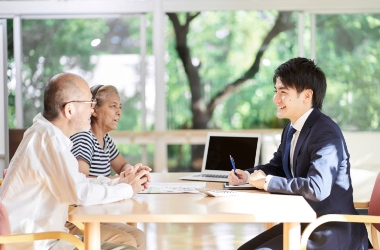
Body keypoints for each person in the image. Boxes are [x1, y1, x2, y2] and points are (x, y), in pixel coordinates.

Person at [228, 57, 368, 250]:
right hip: (304, 221)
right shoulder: (291, 129)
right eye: (276, 91)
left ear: (307, 96)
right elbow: (277, 167)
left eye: (283, 92)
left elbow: (317, 188)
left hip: (329, 231)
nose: (276, 99)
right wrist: (247, 175)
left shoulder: (325, 132)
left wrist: (267, 182)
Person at [0, 73, 148, 250]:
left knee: (136, 239)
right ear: (69, 110)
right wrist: (127, 189)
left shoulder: (47, 135)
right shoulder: (50, 141)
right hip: (37, 243)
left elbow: (78, 182)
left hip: (48, 235)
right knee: (128, 247)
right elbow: (81, 194)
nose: (92, 110)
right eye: (89, 103)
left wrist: (120, 181)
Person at [67, 85, 150, 250]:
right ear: (94, 110)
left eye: (120, 107)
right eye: (113, 106)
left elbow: (121, 165)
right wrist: (123, 181)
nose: (119, 112)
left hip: (95, 213)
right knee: (127, 241)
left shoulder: (105, 139)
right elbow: (81, 181)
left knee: (139, 236)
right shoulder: (84, 138)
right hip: (79, 217)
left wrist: (133, 172)